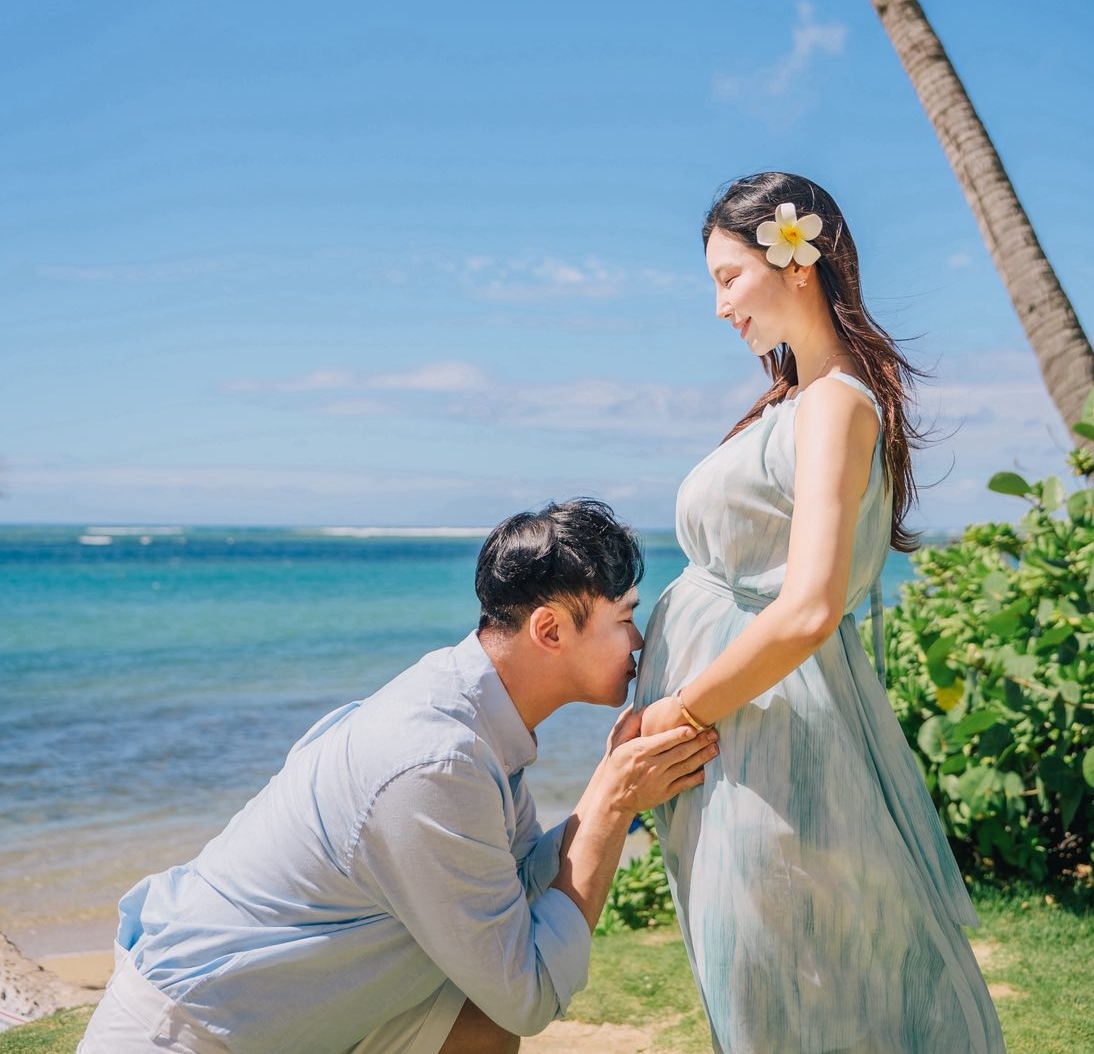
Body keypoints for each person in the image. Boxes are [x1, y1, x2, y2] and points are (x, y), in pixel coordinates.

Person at [78, 499, 718, 1054]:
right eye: (625, 617)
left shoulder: (472, 712)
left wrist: (609, 785)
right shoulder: (437, 761)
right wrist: (611, 804)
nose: (638, 642)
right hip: (190, 1034)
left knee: (476, 1025)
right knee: (495, 1011)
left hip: (260, 1019)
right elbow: (529, 994)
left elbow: (521, 881)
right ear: (550, 630)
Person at [634, 172, 1006, 1054]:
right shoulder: (798, 404)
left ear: (796, 261)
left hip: (770, 734)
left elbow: (807, 610)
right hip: (748, 730)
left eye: (729, 279)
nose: (722, 309)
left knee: (794, 987)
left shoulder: (836, 405)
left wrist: (674, 712)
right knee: (774, 986)